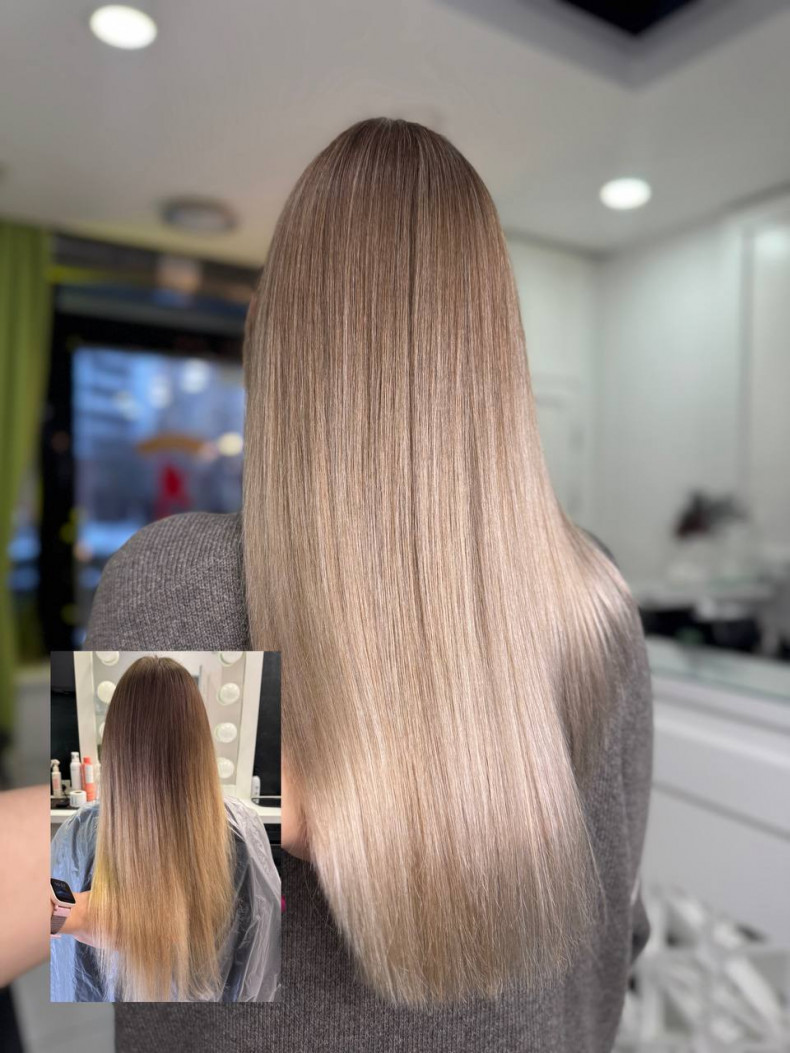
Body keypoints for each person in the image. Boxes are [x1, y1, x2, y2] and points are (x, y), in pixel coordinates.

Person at [86, 118, 652, 1050]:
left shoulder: (180, 583)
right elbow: (616, 937)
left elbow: (146, 979)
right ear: (496, 349)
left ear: (276, 338)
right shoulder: (597, 596)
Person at [50, 656, 280, 1002]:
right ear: (200, 739)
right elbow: (256, 969)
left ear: (115, 744)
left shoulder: (76, 836)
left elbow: (67, 975)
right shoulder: (242, 832)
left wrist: (69, 916)